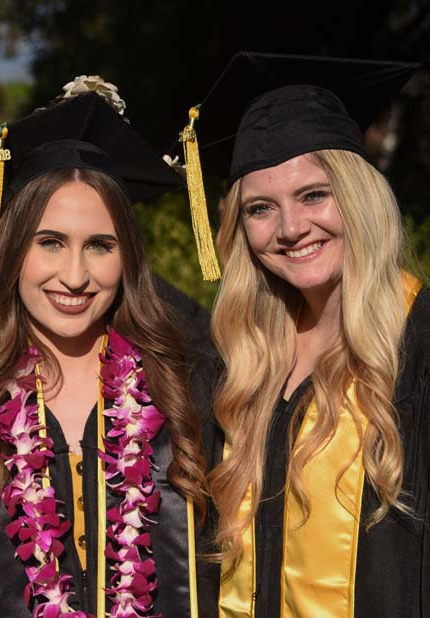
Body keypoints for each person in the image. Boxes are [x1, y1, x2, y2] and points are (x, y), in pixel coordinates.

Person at [0, 90, 213, 617]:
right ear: (13, 250)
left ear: (126, 256)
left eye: (100, 246)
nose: (76, 276)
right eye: (50, 242)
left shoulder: (182, 386)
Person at [187, 52, 426, 617]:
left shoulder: (419, 346)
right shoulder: (235, 363)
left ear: (358, 195)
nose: (292, 229)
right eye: (262, 209)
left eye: (314, 195)